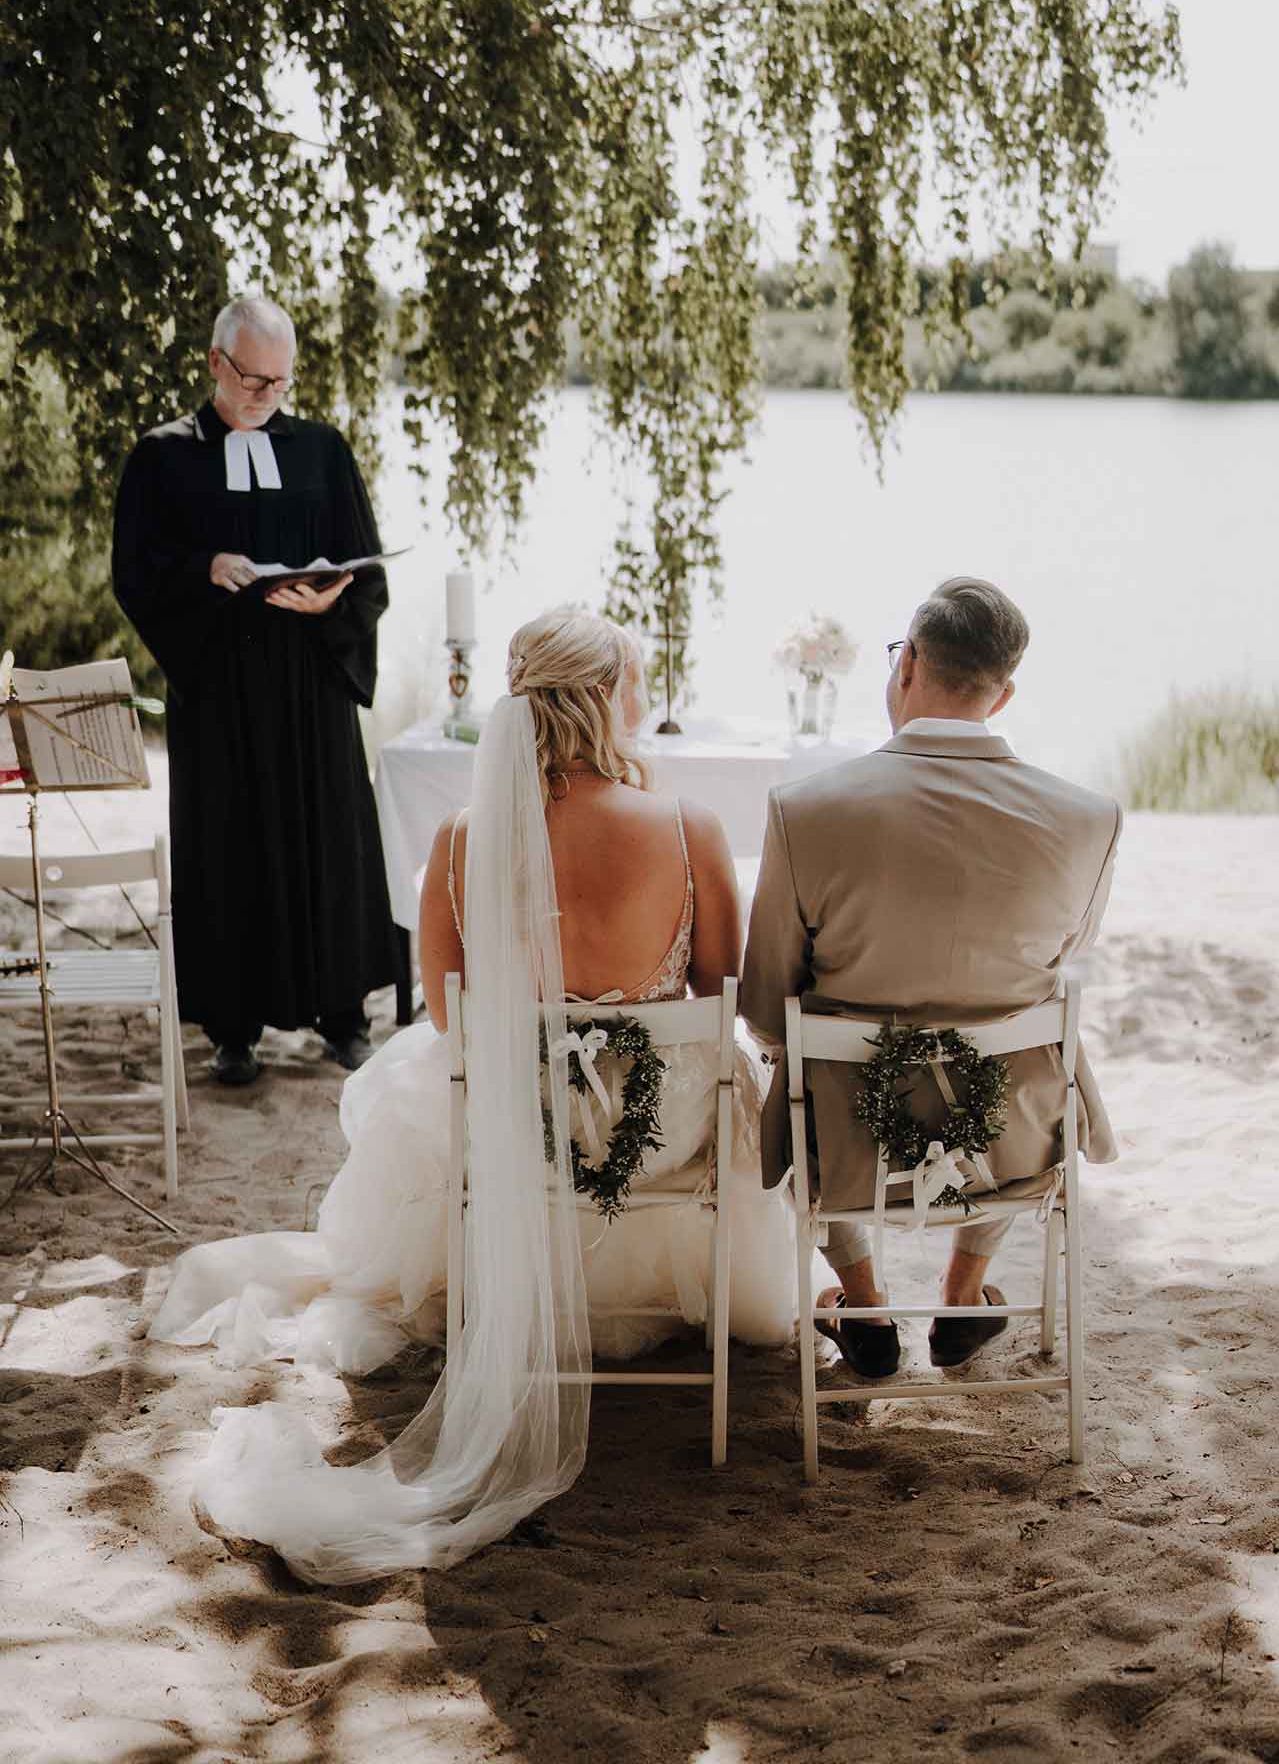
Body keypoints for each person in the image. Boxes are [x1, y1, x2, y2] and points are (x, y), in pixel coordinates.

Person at [148, 610, 801, 1582]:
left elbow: (455, 1025)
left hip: (515, 1140)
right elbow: (718, 997)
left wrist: (546, 1049)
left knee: (417, 1072)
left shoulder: (458, 842)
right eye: (632, 680)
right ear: (602, 698)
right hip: (659, 1140)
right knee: (734, 1075)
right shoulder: (688, 827)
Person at [741, 576, 1121, 1378]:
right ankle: (963, 1293)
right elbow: (1060, 962)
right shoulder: (1089, 820)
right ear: (1004, 692)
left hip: (848, 1144)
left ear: (907, 663)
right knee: (1027, 1038)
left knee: (799, 1057)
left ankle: (867, 1304)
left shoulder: (805, 810)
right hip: (1011, 1144)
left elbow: (767, 1011)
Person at [112, 296, 399, 1082]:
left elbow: (364, 562)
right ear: (214, 363)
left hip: (312, 689)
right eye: (251, 379)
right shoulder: (162, 457)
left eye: (280, 381)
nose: (267, 395)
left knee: (326, 845)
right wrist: (203, 569)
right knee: (227, 850)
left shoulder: (322, 452)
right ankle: (231, 1032)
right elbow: (134, 573)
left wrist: (332, 597)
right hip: (220, 693)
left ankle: (342, 1017)